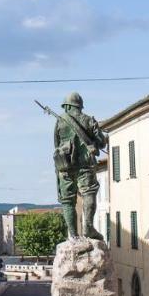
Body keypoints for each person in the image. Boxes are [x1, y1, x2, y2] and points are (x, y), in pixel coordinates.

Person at [53, 92, 107, 238]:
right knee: (89, 192)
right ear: (79, 106)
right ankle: (88, 227)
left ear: (67, 106)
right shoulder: (89, 120)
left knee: (67, 200)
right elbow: (102, 142)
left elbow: (56, 144)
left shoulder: (60, 121)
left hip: (65, 166)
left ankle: (73, 234)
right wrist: (93, 142)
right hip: (85, 165)